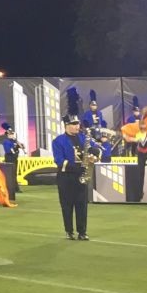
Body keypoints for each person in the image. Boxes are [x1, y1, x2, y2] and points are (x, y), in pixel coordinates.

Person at [52, 89, 92, 240]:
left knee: (82, 206)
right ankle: (69, 231)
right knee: (67, 206)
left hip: (81, 177)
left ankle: (82, 232)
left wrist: (95, 154)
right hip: (66, 178)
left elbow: (92, 148)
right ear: (66, 125)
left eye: (78, 124)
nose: (77, 127)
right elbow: (59, 161)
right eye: (74, 124)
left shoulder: (82, 138)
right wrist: (76, 166)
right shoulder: (58, 141)